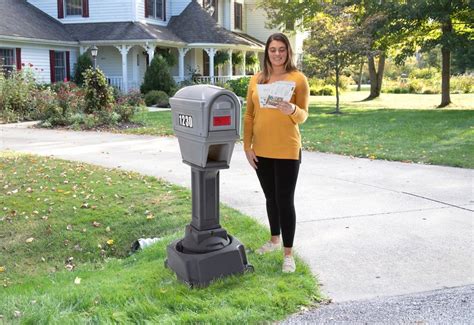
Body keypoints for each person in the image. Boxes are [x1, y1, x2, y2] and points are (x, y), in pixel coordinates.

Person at [243, 33, 309, 273]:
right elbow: (249, 115)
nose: (278, 54)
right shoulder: (257, 80)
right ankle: (273, 240)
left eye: (282, 49)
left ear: (288, 52)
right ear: (267, 52)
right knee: (270, 198)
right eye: (273, 49)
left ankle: (288, 254)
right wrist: (247, 147)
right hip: (261, 149)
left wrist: (292, 109)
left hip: (288, 149)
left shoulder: (298, 79)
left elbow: (303, 115)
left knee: (284, 200)